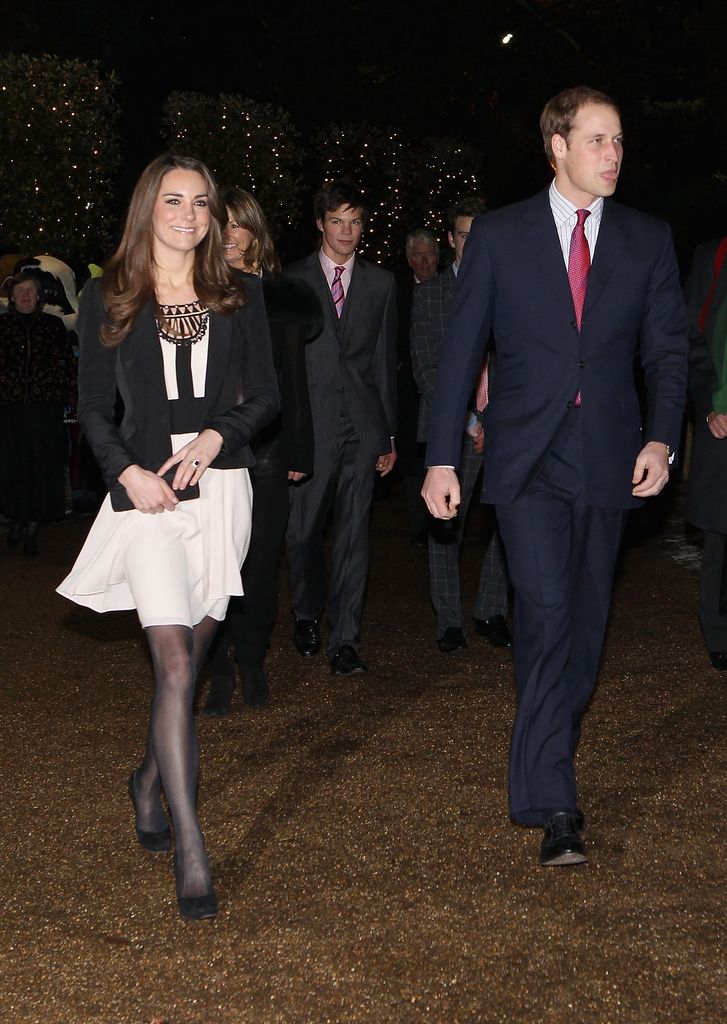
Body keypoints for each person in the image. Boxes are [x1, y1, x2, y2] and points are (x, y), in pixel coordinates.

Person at [422, 86, 687, 867]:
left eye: (617, 141)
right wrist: (443, 456)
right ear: (557, 147)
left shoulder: (646, 239)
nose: (613, 154)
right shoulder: (501, 237)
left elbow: (667, 353)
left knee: (584, 621)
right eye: (597, 140)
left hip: (610, 453)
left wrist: (661, 441)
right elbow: (460, 353)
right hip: (526, 457)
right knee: (542, 612)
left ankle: (543, 762)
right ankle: (554, 799)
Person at [57, 154, 279, 919]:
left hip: (221, 490)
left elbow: (265, 398)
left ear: (215, 216)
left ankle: (149, 778)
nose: (187, 214)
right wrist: (128, 473)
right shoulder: (107, 295)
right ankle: (190, 844)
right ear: (148, 206)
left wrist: (217, 438)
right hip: (146, 496)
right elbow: (90, 407)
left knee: (202, 645)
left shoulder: (238, 295)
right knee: (177, 663)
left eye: (201, 202)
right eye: (173, 200)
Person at [204, 187, 321, 715]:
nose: (227, 235)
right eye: (219, 224)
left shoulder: (283, 296)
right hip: (211, 449)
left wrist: (300, 448)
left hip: (270, 449)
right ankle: (217, 666)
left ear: (254, 230)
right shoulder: (197, 291)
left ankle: (251, 660)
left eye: (237, 224)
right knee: (212, 562)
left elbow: (293, 382)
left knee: (259, 561)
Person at [284, 181, 398, 675]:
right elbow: (285, 367)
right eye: (337, 221)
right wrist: (288, 438)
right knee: (301, 533)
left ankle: (345, 640)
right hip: (310, 431)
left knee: (354, 536)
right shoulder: (291, 280)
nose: (347, 231)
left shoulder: (382, 284)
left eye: (355, 222)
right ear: (320, 224)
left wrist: (387, 434)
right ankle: (307, 612)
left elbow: (383, 360)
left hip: (361, 429)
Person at [411, 197, 511, 654]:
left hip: (504, 427)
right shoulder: (430, 293)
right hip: (454, 432)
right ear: (451, 240)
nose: (472, 242)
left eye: (479, 233)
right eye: (464, 234)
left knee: (505, 523)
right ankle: (448, 619)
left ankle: (491, 609)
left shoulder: (508, 285)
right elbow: (425, 367)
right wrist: (470, 421)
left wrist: (497, 417)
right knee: (446, 522)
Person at [0, 271, 75, 555]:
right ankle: (17, 518)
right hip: (9, 409)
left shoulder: (54, 326)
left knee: (41, 469)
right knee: (12, 468)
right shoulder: (3, 326)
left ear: (39, 296)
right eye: (20, 291)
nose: (25, 296)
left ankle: (32, 526)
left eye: (30, 291)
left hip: (45, 410)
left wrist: (71, 398)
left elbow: (67, 364)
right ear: (12, 296)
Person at [684, 236, 727, 670]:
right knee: (720, 536)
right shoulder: (712, 256)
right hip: (722, 420)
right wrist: (709, 405)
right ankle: (718, 633)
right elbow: (690, 337)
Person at [396, 229, 440, 546]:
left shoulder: (455, 289)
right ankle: (418, 527)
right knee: (412, 462)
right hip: (408, 394)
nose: (423, 261)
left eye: (429, 254)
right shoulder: (397, 294)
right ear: (409, 260)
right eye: (417, 255)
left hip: (444, 389)